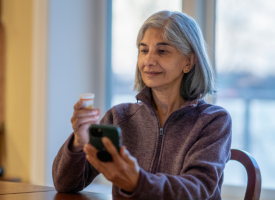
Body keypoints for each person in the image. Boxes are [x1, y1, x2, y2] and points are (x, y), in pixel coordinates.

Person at [52, 10, 232, 200]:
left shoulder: (213, 120)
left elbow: (198, 189)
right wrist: (79, 144)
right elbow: (65, 184)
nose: (148, 61)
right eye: (144, 50)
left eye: (162, 51)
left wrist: (137, 182)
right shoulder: (119, 116)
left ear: (189, 61)